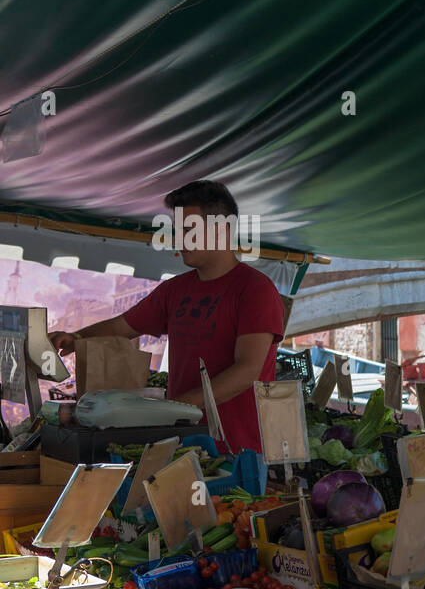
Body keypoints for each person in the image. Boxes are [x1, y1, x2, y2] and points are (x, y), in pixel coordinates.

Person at [50, 180, 284, 451]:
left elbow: (247, 371)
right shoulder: (175, 290)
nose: (178, 239)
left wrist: (176, 406)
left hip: (238, 451)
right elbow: (123, 326)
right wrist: (76, 337)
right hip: (181, 443)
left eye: (188, 230)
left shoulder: (255, 289)